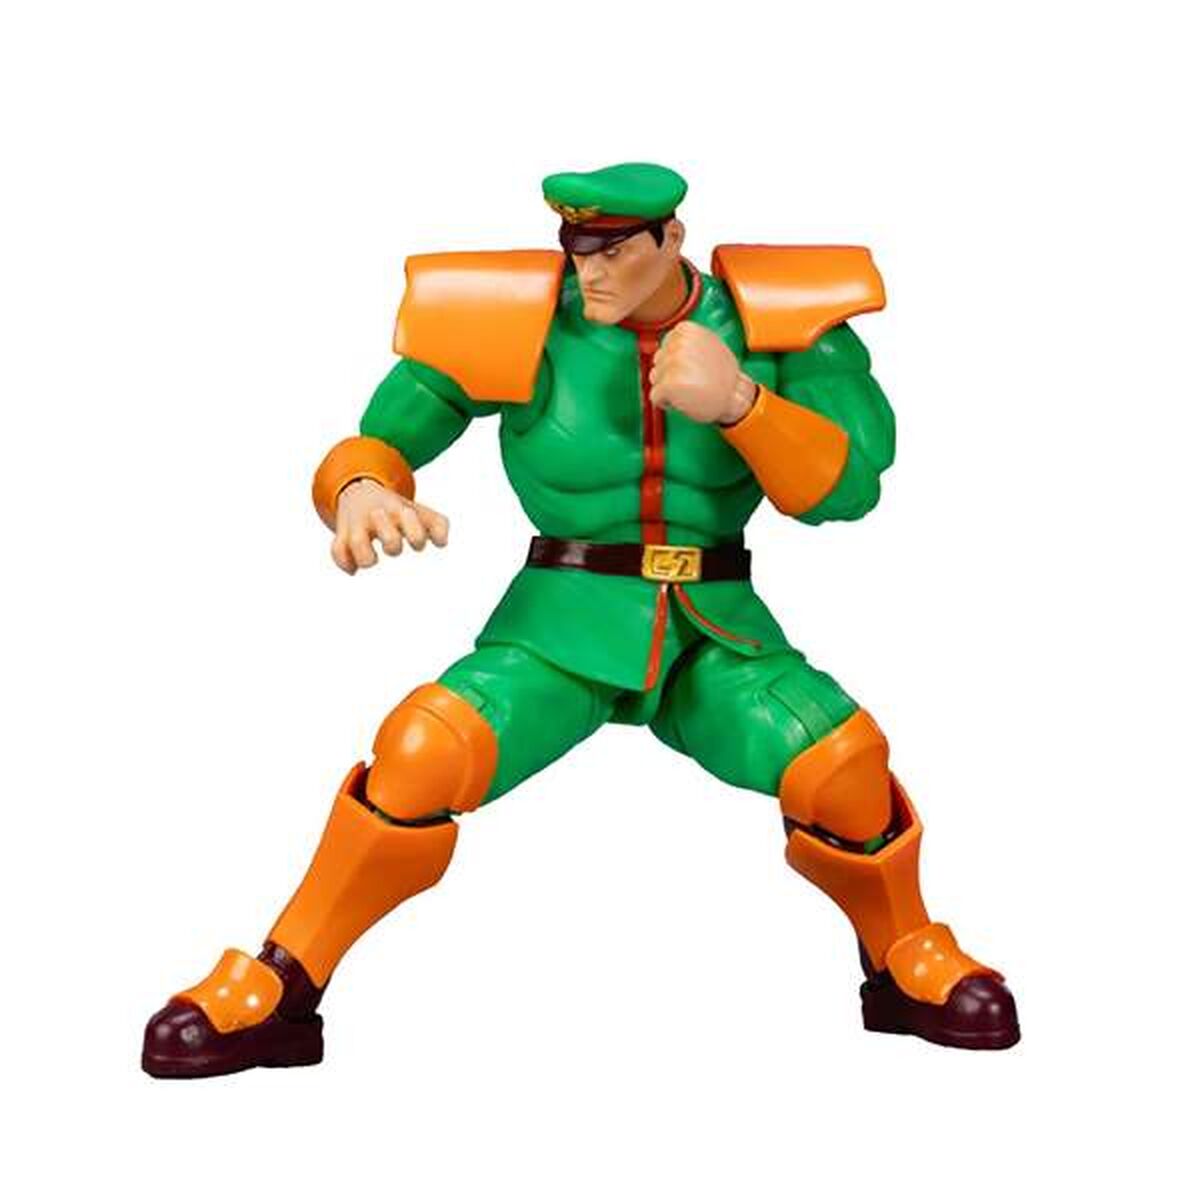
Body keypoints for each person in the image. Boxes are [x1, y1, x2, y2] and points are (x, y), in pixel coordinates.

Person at [142, 161, 1019, 1078]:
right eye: (576, 248)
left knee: (845, 764)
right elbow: (383, 435)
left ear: (671, 240)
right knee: (419, 751)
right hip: (563, 622)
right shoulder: (520, 319)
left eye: (613, 251)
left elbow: (848, 488)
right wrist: (362, 487)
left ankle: (902, 955)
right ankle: (285, 978)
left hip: (714, 629)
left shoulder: (780, 321)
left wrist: (743, 405)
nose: (589, 270)